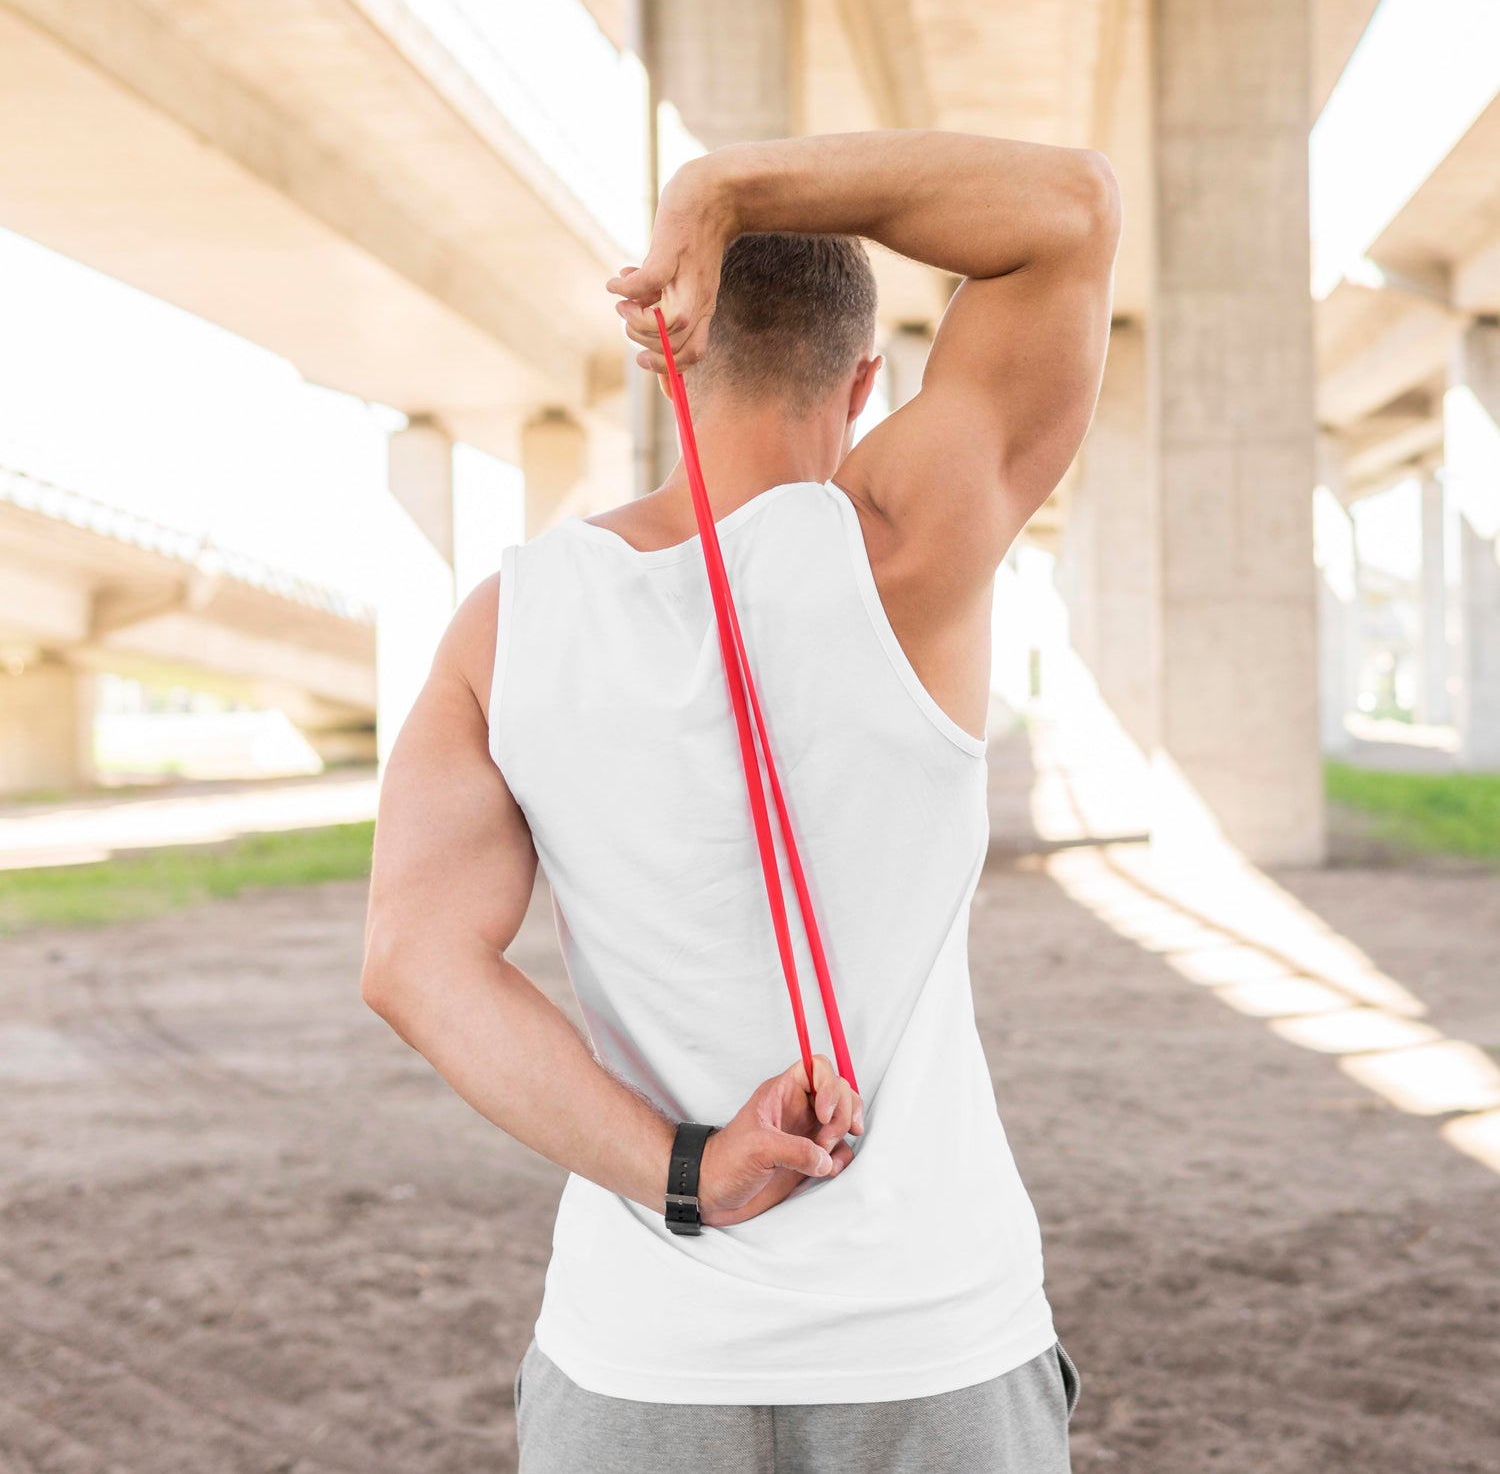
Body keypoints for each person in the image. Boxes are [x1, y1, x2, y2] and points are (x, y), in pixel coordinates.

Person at [362, 129, 1120, 1472]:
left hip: (641, 1360)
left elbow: (414, 966)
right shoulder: (908, 545)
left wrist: (683, 1167)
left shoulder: (508, 624)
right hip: (932, 1343)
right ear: (868, 379)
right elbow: (1069, 211)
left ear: (671, 354)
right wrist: (727, 191)